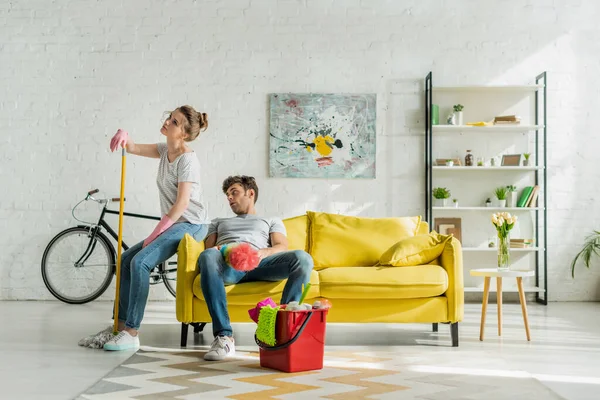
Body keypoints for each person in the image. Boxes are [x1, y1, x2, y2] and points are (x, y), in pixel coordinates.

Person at [78, 105, 210, 351]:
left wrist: (155, 233)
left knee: (141, 262)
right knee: (127, 258)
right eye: (170, 117)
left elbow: (182, 204)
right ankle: (117, 327)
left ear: (183, 133)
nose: (168, 121)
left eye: (175, 121)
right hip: (175, 223)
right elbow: (133, 148)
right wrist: (124, 133)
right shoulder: (164, 150)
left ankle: (132, 331)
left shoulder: (188, 160)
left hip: (192, 224)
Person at [199, 175, 314, 361]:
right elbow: (209, 249)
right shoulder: (218, 222)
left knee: (303, 258)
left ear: (250, 193)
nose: (229, 198)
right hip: (229, 266)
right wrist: (224, 249)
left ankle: (284, 329)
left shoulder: (271, 220)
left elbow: (281, 246)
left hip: (261, 264)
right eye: (227, 195)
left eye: (234, 192)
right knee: (207, 256)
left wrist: (261, 253)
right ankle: (224, 337)